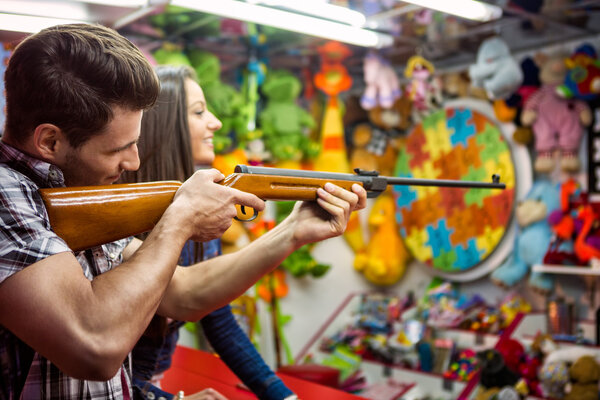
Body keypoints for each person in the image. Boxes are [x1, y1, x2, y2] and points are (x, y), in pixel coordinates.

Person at [0, 24, 366, 399]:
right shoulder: (5, 193)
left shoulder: (74, 189)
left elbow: (184, 293)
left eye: (136, 143)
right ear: (50, 140)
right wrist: (180, 219)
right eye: (117, 150)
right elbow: (95, 346)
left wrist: (292, 231)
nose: (134, 161)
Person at [121, 65, 296, 400]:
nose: (215, 122)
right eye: (199, 112)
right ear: (162, 127)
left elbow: (216, 315)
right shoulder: (118, 219)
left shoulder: (205, 208)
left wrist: (280, 394)